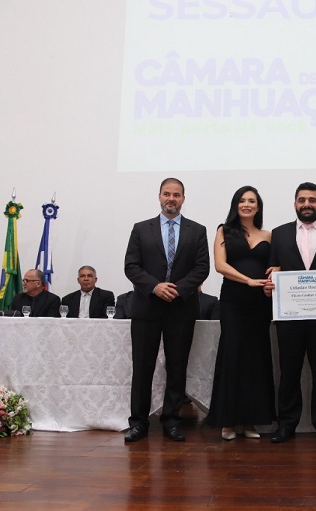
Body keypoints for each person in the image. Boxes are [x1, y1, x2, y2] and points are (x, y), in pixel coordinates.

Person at [123, 177, 210, 443]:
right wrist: (155, 287)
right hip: (146, 307)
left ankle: (171, 420)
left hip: (181, 308)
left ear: (183, 198)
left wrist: (177, 289)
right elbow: (131, 266)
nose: (171, 199)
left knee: (177, 366)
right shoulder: (141, 229)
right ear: (159, 196)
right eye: (166, 194)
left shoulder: (198, 230)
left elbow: (202, 268)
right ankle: (138, 423)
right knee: (142, 368)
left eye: (176, 194)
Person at [264, 182, 316, 445]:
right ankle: (286, 424)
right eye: (302, 200)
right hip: (289, 317)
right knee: (289, 371)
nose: (307, 204)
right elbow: (272, 270)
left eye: (312, 200)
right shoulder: (279, 234)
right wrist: (269, 284)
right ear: (295, 204)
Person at [206, 186, 275, 441]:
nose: (247, 204)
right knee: (232, 354)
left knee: (256, 358)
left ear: (258, 206)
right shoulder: (224, 230)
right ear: (236, 204)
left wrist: (275, 274)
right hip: (234, 300)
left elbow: (274, 266)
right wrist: (248, 280)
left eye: (252, 201)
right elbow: (220, 265)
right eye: (242, 200)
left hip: (260, 303)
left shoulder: (268, 235)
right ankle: (228, 421)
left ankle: (249, 421)